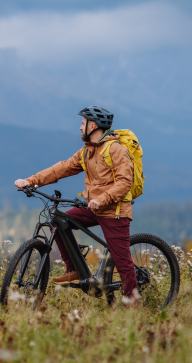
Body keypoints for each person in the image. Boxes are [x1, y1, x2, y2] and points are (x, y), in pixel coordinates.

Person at [14, 106, 139, 300]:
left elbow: (125, 182)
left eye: (82, 123)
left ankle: (133, 303)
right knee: (60, 221)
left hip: (115, 211)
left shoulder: (115, 149)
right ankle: (73, 269)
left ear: (93, 125)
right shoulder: (86, 151)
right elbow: (61, 169)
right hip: (94, 207)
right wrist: (31, 180)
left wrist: (102, 199)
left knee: (122, 261)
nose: (80, 128)